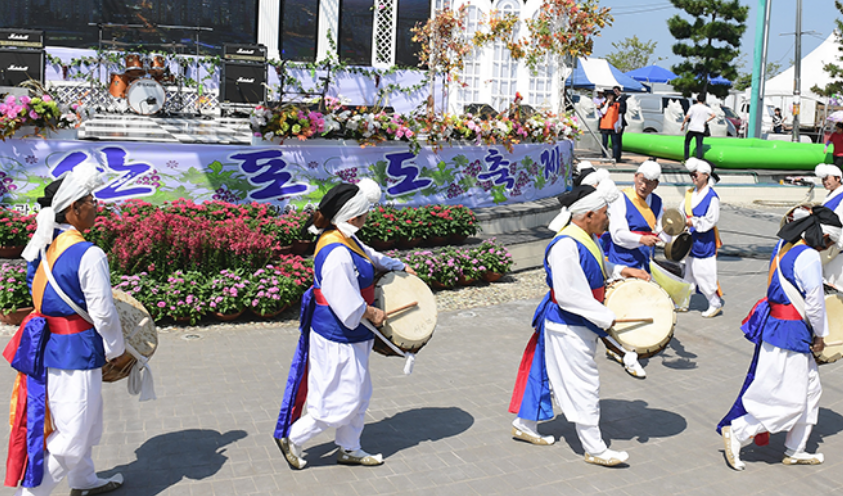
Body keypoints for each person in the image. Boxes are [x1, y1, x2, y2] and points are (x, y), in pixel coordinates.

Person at [4, 164, 132, 496]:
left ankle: (84, 481)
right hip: (78, 349)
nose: (96, 205)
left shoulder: (42, 244)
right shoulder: (88, 253)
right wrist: (117, 351)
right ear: (73, 208)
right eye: (90, 199)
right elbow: (103, 313)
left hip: (47, 346)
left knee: (80, 419)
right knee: (74, 433)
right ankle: (30, 495)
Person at [274, 179, 417, 470]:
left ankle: (350, 447)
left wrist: (398, 266)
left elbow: (371, 257)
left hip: (352, 333)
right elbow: (344, 303)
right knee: (338, 398)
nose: (368, 218)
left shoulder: (344, 236)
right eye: (365, 213)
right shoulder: (337, 252)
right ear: (353, 217)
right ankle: (293, 437)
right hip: (337, 335)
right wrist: (371, 313)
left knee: (359, 392)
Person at [508, 177, 650, 467]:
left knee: (546, 373)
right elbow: (569, 294)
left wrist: (624, 270)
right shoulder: (564, 246)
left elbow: (597, 265)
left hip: (575, 322)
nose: (608, 218)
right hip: (567, 324)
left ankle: (524, 424)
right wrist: (607, 317)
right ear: (588, 216)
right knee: (583, 384)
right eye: (605, 214)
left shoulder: (587, 237)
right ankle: (594, 448)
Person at [718, 206, 842, 471]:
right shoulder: (808, 256)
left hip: (780, 329)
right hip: (792, 334)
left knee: (810, 391)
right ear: (822, 235)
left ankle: (796, 448)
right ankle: (739, 431)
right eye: (830, 240)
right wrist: (821, 336)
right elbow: (815, 303)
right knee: (790, 400)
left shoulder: (789, 248)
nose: (828, 246)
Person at [680, 158, 722, 317]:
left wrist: (693, 222)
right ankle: (683, 301)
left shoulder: (712, 197)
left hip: (703, 241)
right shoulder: (690, 193)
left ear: (706, 175)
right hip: (689, 239)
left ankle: (714, 302)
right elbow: (682, 211)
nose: (693, 177)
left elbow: (712, 220)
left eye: (695, 174)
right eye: (691, 174)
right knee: (688, 274)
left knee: (703, 273)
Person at [681, 94, 716, 161]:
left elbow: (687, 116)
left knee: (687, 142)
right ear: (704, 101)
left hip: (692, 128)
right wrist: (706, 121)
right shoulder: (706, 108)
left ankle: (686, 158)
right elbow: (713, 115)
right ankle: (699, 159)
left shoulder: (693, 107)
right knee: (699, 145)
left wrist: (683, 124)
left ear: (697, 100)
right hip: (700, 129)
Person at [597, 91, 621, 162]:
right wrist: (607, 103)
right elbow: (603, 112)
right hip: (604, 125)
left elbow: (620, 115)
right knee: (604, 142)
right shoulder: (604, 104)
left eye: (611, 96)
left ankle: (614, 157)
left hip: (613, 125)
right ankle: (604, 156)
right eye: (608, 96)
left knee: (615, 143)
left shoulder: (617, 104)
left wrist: (619, 125)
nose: (609, 97)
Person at [613, 86, 629, 162]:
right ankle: (614, 155)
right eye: (614, 91)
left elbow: (622, 111)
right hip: (613, 121)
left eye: (616, 91)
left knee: (618, 140)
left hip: (620, 121)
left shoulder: (622, 100)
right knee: (614, 140)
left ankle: (617, 156)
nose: (615, 93)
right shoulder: (613, 100)